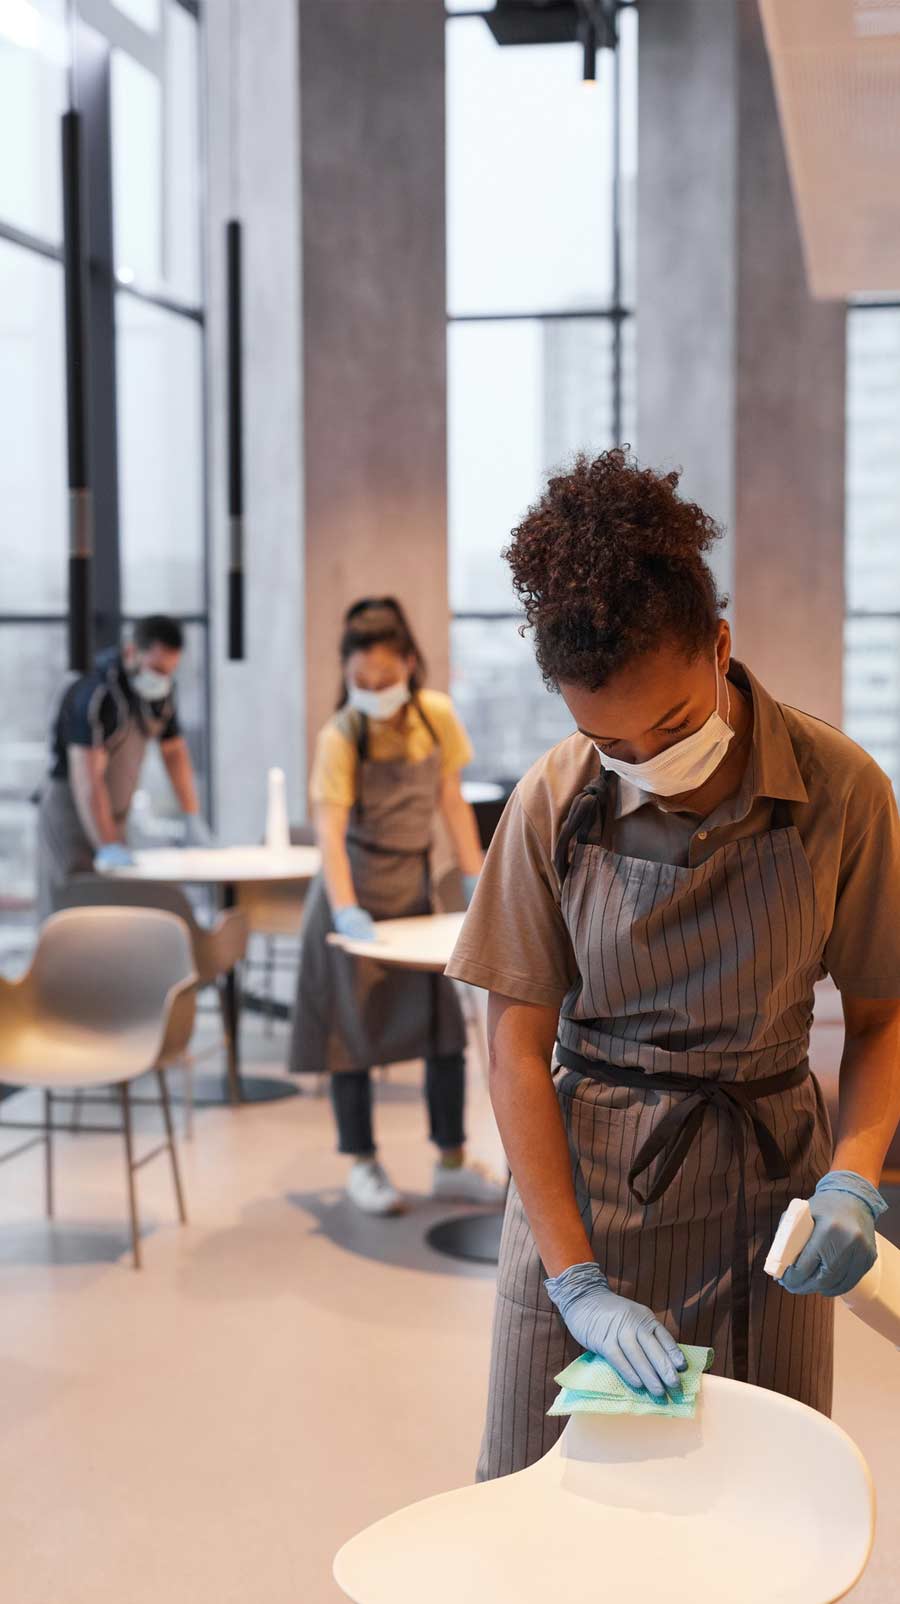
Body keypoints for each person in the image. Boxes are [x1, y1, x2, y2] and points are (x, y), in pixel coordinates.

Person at [446, 449, 900, 1481]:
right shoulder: (555, 803)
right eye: (610, 739)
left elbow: (881, 1016)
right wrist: (574, 1282)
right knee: (539, 1513)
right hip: (585, 1198)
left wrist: (851, 1176)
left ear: (722, 646)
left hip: (765, 1204)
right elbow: (513, 1047)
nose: (647, 760)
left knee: (754, 1515)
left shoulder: (839, 790)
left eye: (675, 725)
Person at [290, 596, 505, 1217]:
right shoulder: (342, 736)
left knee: (444, 1029)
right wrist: (347, 910)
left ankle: (452, 1163)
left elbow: (453, 804)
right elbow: (329, 832)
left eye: (385, 678)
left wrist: (475, 882)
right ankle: (362, 1164)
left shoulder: (435, 717)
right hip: (350, 893)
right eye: (362, 680)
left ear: (410, 663)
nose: (375, 689)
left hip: (412, 892)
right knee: (351, 1036)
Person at [36, 615, 210, 920]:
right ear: (131, 652)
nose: (162, 679)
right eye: (156, 669)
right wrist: (108, 844)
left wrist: (191, 814)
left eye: (169, 671)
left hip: (114, 812)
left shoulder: (160, 694)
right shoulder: (95, 692)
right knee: (74, 910)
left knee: (117, 916)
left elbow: (174, 753)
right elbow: (87, 779)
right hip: (72, 814)